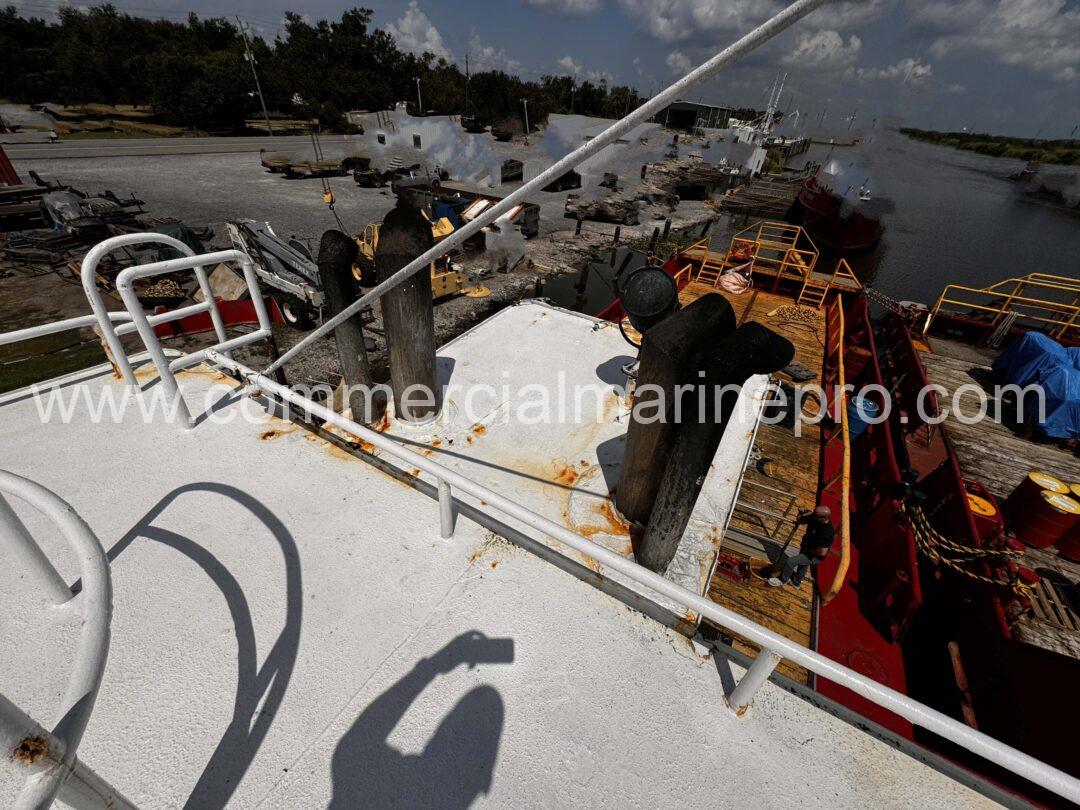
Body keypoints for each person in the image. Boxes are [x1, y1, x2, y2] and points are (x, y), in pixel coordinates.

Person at [768, 505, 834, 588]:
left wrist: (807, 550)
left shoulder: (827, 532)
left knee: (790, 561)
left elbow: (822, 552)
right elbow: (801, 520)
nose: (812, 515)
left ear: (823, 518)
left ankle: (782, 580)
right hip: (806, 546)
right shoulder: (815, 517)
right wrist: (801, 513)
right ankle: (796, 582)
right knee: (802, 566)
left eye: (815, 515)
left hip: (814, 555)